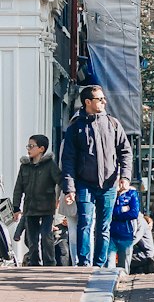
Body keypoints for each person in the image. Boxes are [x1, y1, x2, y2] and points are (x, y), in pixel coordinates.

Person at [60, 86, 133, 268]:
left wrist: (125, 176)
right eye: (100, 99)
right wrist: (69, 188)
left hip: (109, 184)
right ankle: (84, 265)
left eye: (103, 99)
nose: (104, 102)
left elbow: (125, 152)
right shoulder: (75, 128)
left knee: (104, 227)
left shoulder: (113, 124)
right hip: (84, 184)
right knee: (85, 223)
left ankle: (99, 265)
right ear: (88, 102)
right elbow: (67, 160)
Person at [11, 135, 61, 266]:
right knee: (32, 239)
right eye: (28, 146)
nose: (28, 149)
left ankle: (49, 263)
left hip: (46, 207)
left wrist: (62, 196)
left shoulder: (50, 165)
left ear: (41, 149)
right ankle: (34, 262)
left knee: (46, 236)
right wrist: (16, 207)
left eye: (31, 146)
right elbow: (18, 188)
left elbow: (60, 181)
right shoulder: (25, 166)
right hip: (30, 208)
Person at [110, 182, 142, 271]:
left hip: (126, 233)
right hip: (110, 233)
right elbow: (106, 211)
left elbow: (134, 213)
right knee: (109, 266)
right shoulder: (109, 192)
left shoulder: (131, 193)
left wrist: (115, 215)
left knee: (124, 266)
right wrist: (122, 209)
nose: (121, 184)